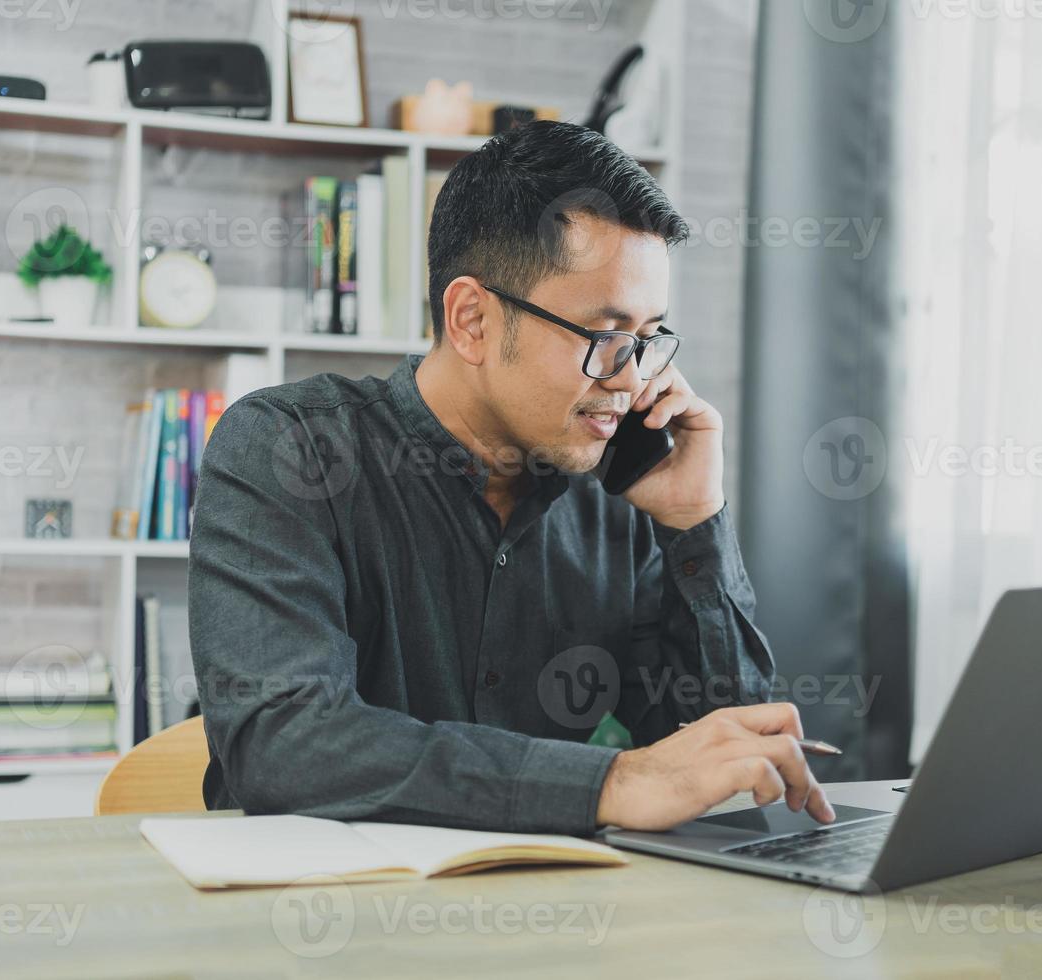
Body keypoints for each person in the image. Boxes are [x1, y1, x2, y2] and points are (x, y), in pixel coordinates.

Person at [188, 121, 835, 836]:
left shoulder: (612, 489)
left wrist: (694, 523)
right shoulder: (289, 449)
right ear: (471, 320)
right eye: (607, 337)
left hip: (549, 911)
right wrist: (606, 784)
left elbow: (723, 761)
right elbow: (284, 745)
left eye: (648, 340)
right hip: (315, 918)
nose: (631, 380)